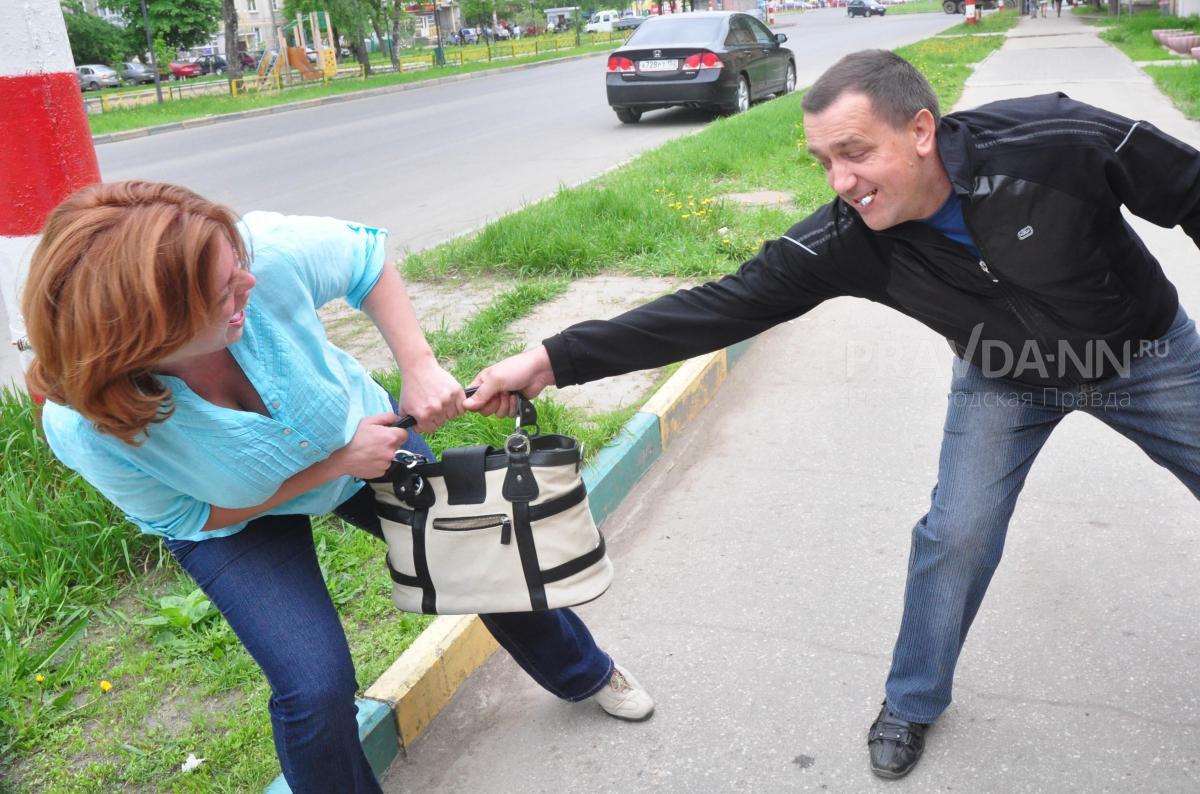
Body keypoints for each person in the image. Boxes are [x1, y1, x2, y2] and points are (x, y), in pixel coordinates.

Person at [465, 49, 1200, 779]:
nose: (841, 183)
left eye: (855, 153)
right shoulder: (851, 240)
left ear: (920, 130)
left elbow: (1190, 189)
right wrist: (550, 360)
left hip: (1147, 355)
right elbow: (720, 305)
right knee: (957, 533)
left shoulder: (1053, 142)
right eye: (823, 161)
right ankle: (911, 703)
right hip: (1006, 376)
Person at [21, 181, 654, 794]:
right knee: (314, 687)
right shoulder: (84, 425)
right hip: (231, 511)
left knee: (482, 560)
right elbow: (189, 516)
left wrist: (419, 365)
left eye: (237, 263)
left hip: (366, 439)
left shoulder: (253, 252)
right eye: (222, 290)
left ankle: (587, 673)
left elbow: (366, 255)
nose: (249, 282)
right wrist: (334, 465)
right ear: (150, 327)